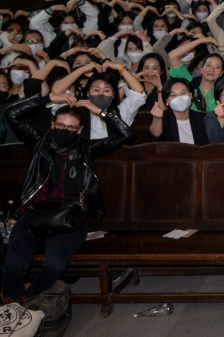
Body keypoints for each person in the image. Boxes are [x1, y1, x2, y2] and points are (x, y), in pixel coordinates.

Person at [1, 93, 131, 304]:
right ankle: (10, 300)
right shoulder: (39, 142)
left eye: (71, 128)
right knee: (14, 264)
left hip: (69, 218)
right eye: (61, 126)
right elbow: (11, 112)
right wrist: (50, 97)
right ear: (52, 124)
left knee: (54, 264)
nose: (65, 131)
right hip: (33, 215)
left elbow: (125, 134)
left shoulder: (86, 148)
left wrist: (97, 110)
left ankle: (28, 296)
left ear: (79, 130)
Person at [148, 78, 210, 145]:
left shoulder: (202, 118)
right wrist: (157, 119)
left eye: (183, 93)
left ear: (191, 95)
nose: (179, 98)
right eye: (173, 95)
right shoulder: (163, 117)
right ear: (167, 101)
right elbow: (155, 137)